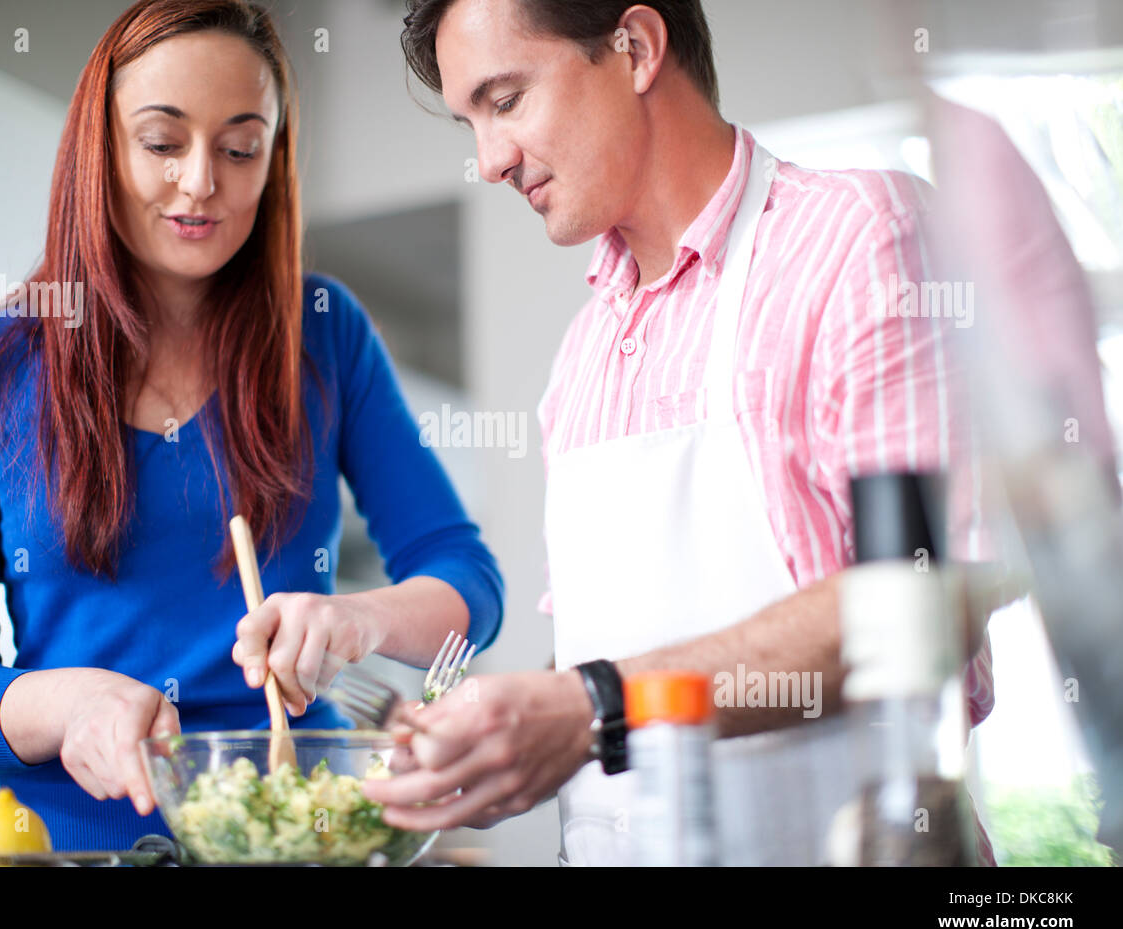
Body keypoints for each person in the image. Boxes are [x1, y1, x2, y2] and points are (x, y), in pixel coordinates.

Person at [363, 0, 998, 865]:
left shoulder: (863, 237)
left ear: (635, 47)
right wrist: (495, 741)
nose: (489, 161)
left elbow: (931, 598)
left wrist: (595, 707)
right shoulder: (581, 360)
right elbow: (603, 658)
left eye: (505, 101)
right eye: (470, 122)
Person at [0, 0, 503, 852]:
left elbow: (466, 578)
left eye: (240, 147)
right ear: (99, 149)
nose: (200, 183)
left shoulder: (325, 334)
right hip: (73, 848)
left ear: (272, 160)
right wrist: (70, 704)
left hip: (294, 839)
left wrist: (359, 622)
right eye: (161, 142)